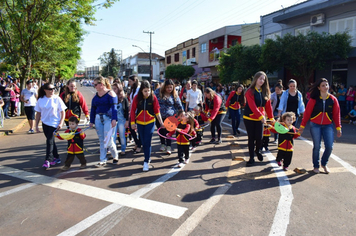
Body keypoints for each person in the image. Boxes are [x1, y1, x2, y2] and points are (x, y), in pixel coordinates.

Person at [299, 78, 342, 174]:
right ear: (318, 88)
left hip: (328, 125)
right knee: (317, 146)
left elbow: (336, 114)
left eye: (326, 85)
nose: (325, 87)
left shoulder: (333, 99)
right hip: (315, 125)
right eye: (323, 85)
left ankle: (324, 163)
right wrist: (302, 126)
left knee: (329, 146)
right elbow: (307, 114)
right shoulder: (313, 100)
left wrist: (338, 128)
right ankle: (316, 166)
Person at [130, 80, 164, 172]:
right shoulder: (137, 98)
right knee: (143, 142)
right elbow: (132, 111)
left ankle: (146, 161)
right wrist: (133, 122)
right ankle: (147, 157)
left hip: (150, 122)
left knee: (147, 141)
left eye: (149, 90)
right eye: (145, 91)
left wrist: (161, 123)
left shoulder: (153, 97)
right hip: (140, 123)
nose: (147, 93)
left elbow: (157, 111)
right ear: (141, 90)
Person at [243, 71, 274, 166]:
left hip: (260, 119)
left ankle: (258, 150)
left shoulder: (266, 91)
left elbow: (268, 106)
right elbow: (252, 106)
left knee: (259, 138)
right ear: (256, 79)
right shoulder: (250, 91)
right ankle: (251, 158)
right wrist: (261, 116)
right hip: (249, 117)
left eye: (263, 79)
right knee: (251, 138)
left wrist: (271, 118)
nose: (262, 81)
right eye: (260, 78)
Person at [35, 83, 67, 169]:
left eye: (54, 88)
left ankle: (47, 160)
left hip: (54, 123)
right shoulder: (41, 100)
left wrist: (61, 123)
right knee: (51, 141)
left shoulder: (57, 99)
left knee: (49, 140)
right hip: (45, 123)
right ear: (45, 90)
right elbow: (38, 113)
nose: (52, 90)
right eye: (50, 89)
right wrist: (36, 125)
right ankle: (56, 157)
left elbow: (63, 111)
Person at [89, 76, 119, 167]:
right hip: (98, 119)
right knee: (101, 140)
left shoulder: (111, 94)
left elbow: (114, 108)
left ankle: (115, 155)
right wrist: (91, 121)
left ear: (101, 84)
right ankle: (102, 159)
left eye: (95, 84)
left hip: (108, 119)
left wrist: (114, 119)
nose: (94, 86)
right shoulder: (95, 95)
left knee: (108, 140)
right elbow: (93, 109)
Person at [155, 79, 183, 154]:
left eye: (171, 87)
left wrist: (181, 112)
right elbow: (153, 100)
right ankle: (163, 144)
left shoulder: (174, 94)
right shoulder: (158, 92)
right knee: (161, 131)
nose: (169, 89)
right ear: (164, 87)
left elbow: (179, 104)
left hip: (170, 117)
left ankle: (168, 146)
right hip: (159, 116)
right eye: (168, 87)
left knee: (168, 132)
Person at [112, 82, 129, 156]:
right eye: (113, 88)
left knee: (122, 135)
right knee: (113, 136)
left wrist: (127, 121)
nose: (113, 90)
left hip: (122, 120)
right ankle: (114, 150)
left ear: (119, 89)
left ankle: (123, 149)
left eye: (115, 89)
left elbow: (127, 110)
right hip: (114, 120)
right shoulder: (112, 98)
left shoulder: (124, 99)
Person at [128, 75, 141, 153]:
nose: (129, 83)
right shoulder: (133, 89)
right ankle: (137, 143)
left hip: (138, 111)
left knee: (139, 129)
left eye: (130, 81)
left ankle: (139, 145)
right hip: (133, 111)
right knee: (131, 127)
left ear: (134, 80)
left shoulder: (139, 89)